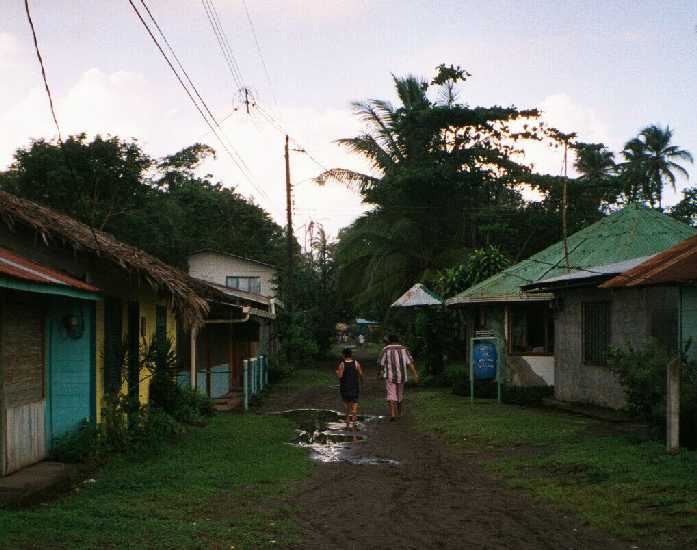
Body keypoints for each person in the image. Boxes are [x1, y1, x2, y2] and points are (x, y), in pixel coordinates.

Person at [378, 334, 419, 421]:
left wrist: (380, 372)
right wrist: (415, 374)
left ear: (389, 340)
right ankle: (399, 413)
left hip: (389, 376)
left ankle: (393, 414)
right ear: (398, 340)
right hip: (402, 375)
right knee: (400, 394)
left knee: (391, 394)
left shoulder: (385, 349)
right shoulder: (404, 349)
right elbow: (410, 363)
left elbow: (381, 363)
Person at [336, 347, 364, 429]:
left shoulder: (342, 364)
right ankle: (354, 411)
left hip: (345, 387)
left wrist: (337, 372)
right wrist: (362, 380)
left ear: (344, 355)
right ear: (351, 355)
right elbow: (361, 373)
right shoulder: (356, 363)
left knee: (347, 401)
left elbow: (340, 376)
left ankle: (348, 418)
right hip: (354, 385)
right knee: (355, 399)